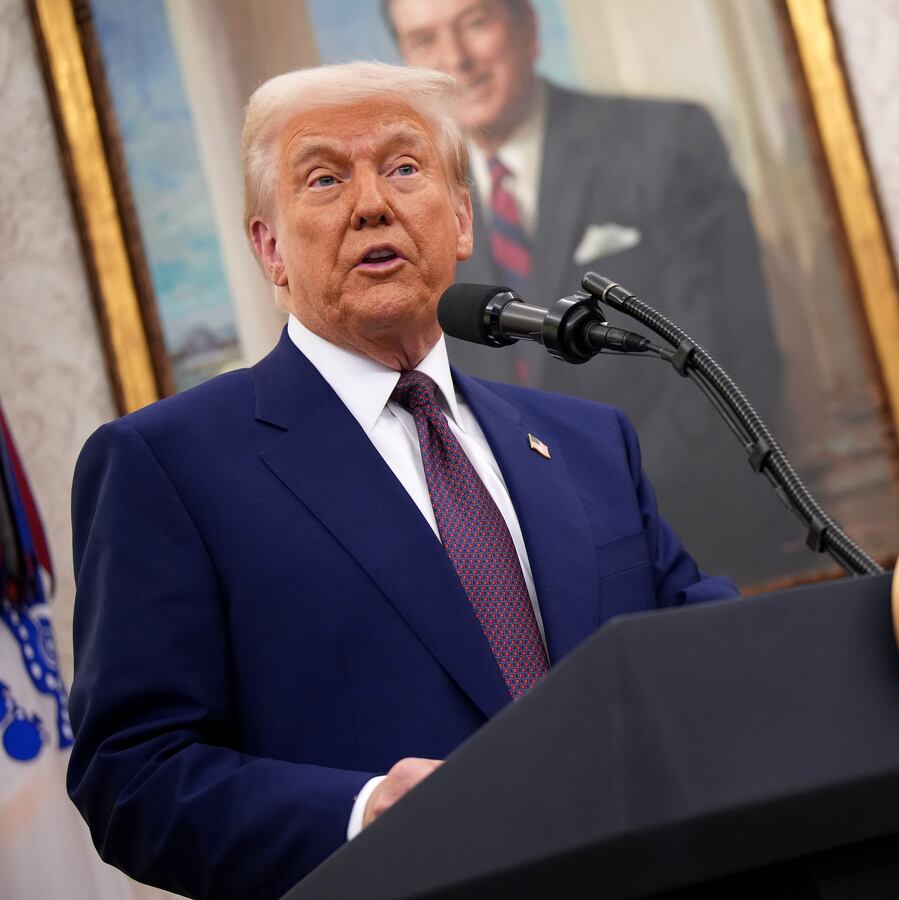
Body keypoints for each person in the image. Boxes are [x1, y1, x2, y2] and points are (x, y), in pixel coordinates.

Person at [66, 61, 737, 899]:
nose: (373, 203)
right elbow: (132, 776)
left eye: (404, 166)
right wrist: (361, 812)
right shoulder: (167, 465)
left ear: (460, 219)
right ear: (269, 247)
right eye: (323, 177)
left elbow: (703, 657)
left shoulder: (588, 442)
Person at [384, 0, 799, 585]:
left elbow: (732, 358)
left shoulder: (665, 140)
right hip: (532, 585)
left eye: (475, 23)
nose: (457, 60)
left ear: (527, 27)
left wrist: (600, 512)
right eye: (425, 42)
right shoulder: (404, 213)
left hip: (699, 544)